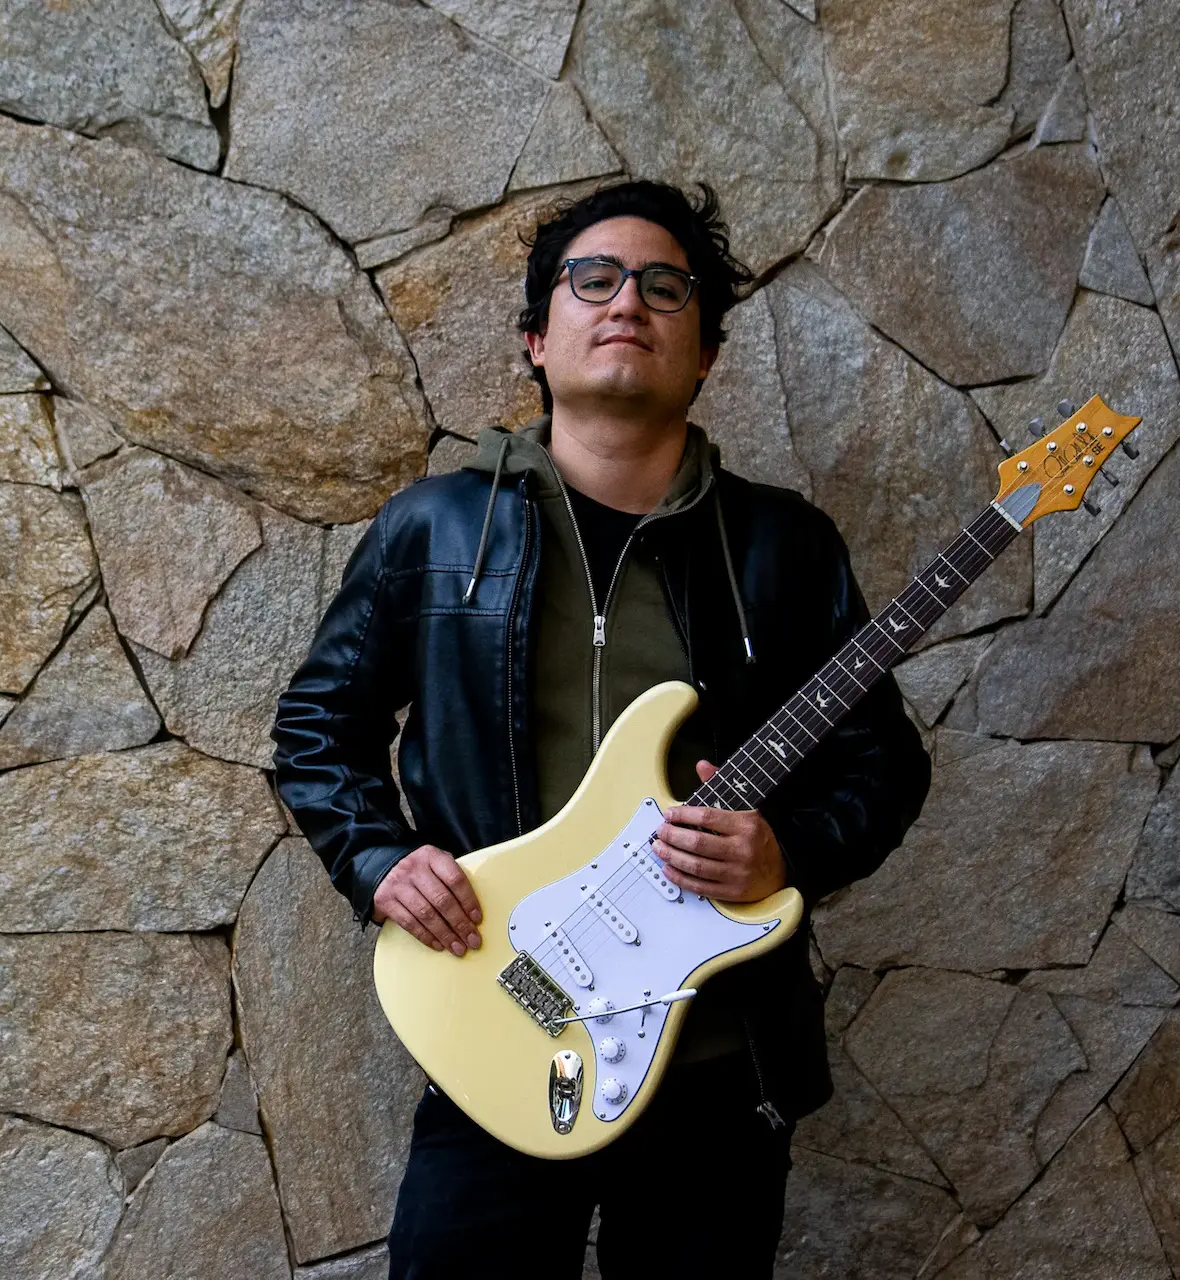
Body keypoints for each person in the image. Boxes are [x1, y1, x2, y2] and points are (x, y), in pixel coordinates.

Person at [271, 180, 932, 1279]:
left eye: (665, 285)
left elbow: (885, 763)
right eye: (595, 278)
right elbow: (316, 726)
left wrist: (788, 849)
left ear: (707, 352)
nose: (628, 300)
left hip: (719, 1068)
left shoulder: (783, 545)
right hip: (498, 1023)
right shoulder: (433, 526)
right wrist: (378, 857)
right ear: (538, 337)